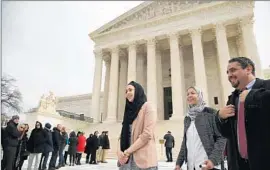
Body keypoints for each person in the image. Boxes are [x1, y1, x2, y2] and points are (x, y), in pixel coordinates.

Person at [215, 57, 270, 170]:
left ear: (248, 69)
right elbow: (228, 133)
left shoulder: (267, 86)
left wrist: (252, 96)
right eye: (228, 72)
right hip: (240, 165)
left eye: (233, 70)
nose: (229, 75)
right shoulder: (233, 98)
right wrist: (220, 117)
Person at [175, 87, 227, 170]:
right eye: (187, 94)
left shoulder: (210, 113)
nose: (189, 95)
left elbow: (221, 137)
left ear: (200, 95)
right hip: (192, 166)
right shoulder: (187, 118)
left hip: (208, 165)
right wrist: (178, 163)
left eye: (193, 93)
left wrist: (213, 160)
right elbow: (185, 142)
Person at [118, 81, 158, 170]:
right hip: (126, 162)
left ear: (138, 91)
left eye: (130, 90)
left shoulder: (148, 106)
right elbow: (122, 135)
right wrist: (119, 152)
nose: (128, 93)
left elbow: (147, 134)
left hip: (143, 161)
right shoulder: (128, 112)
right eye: (126, 91)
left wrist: (127, 152)